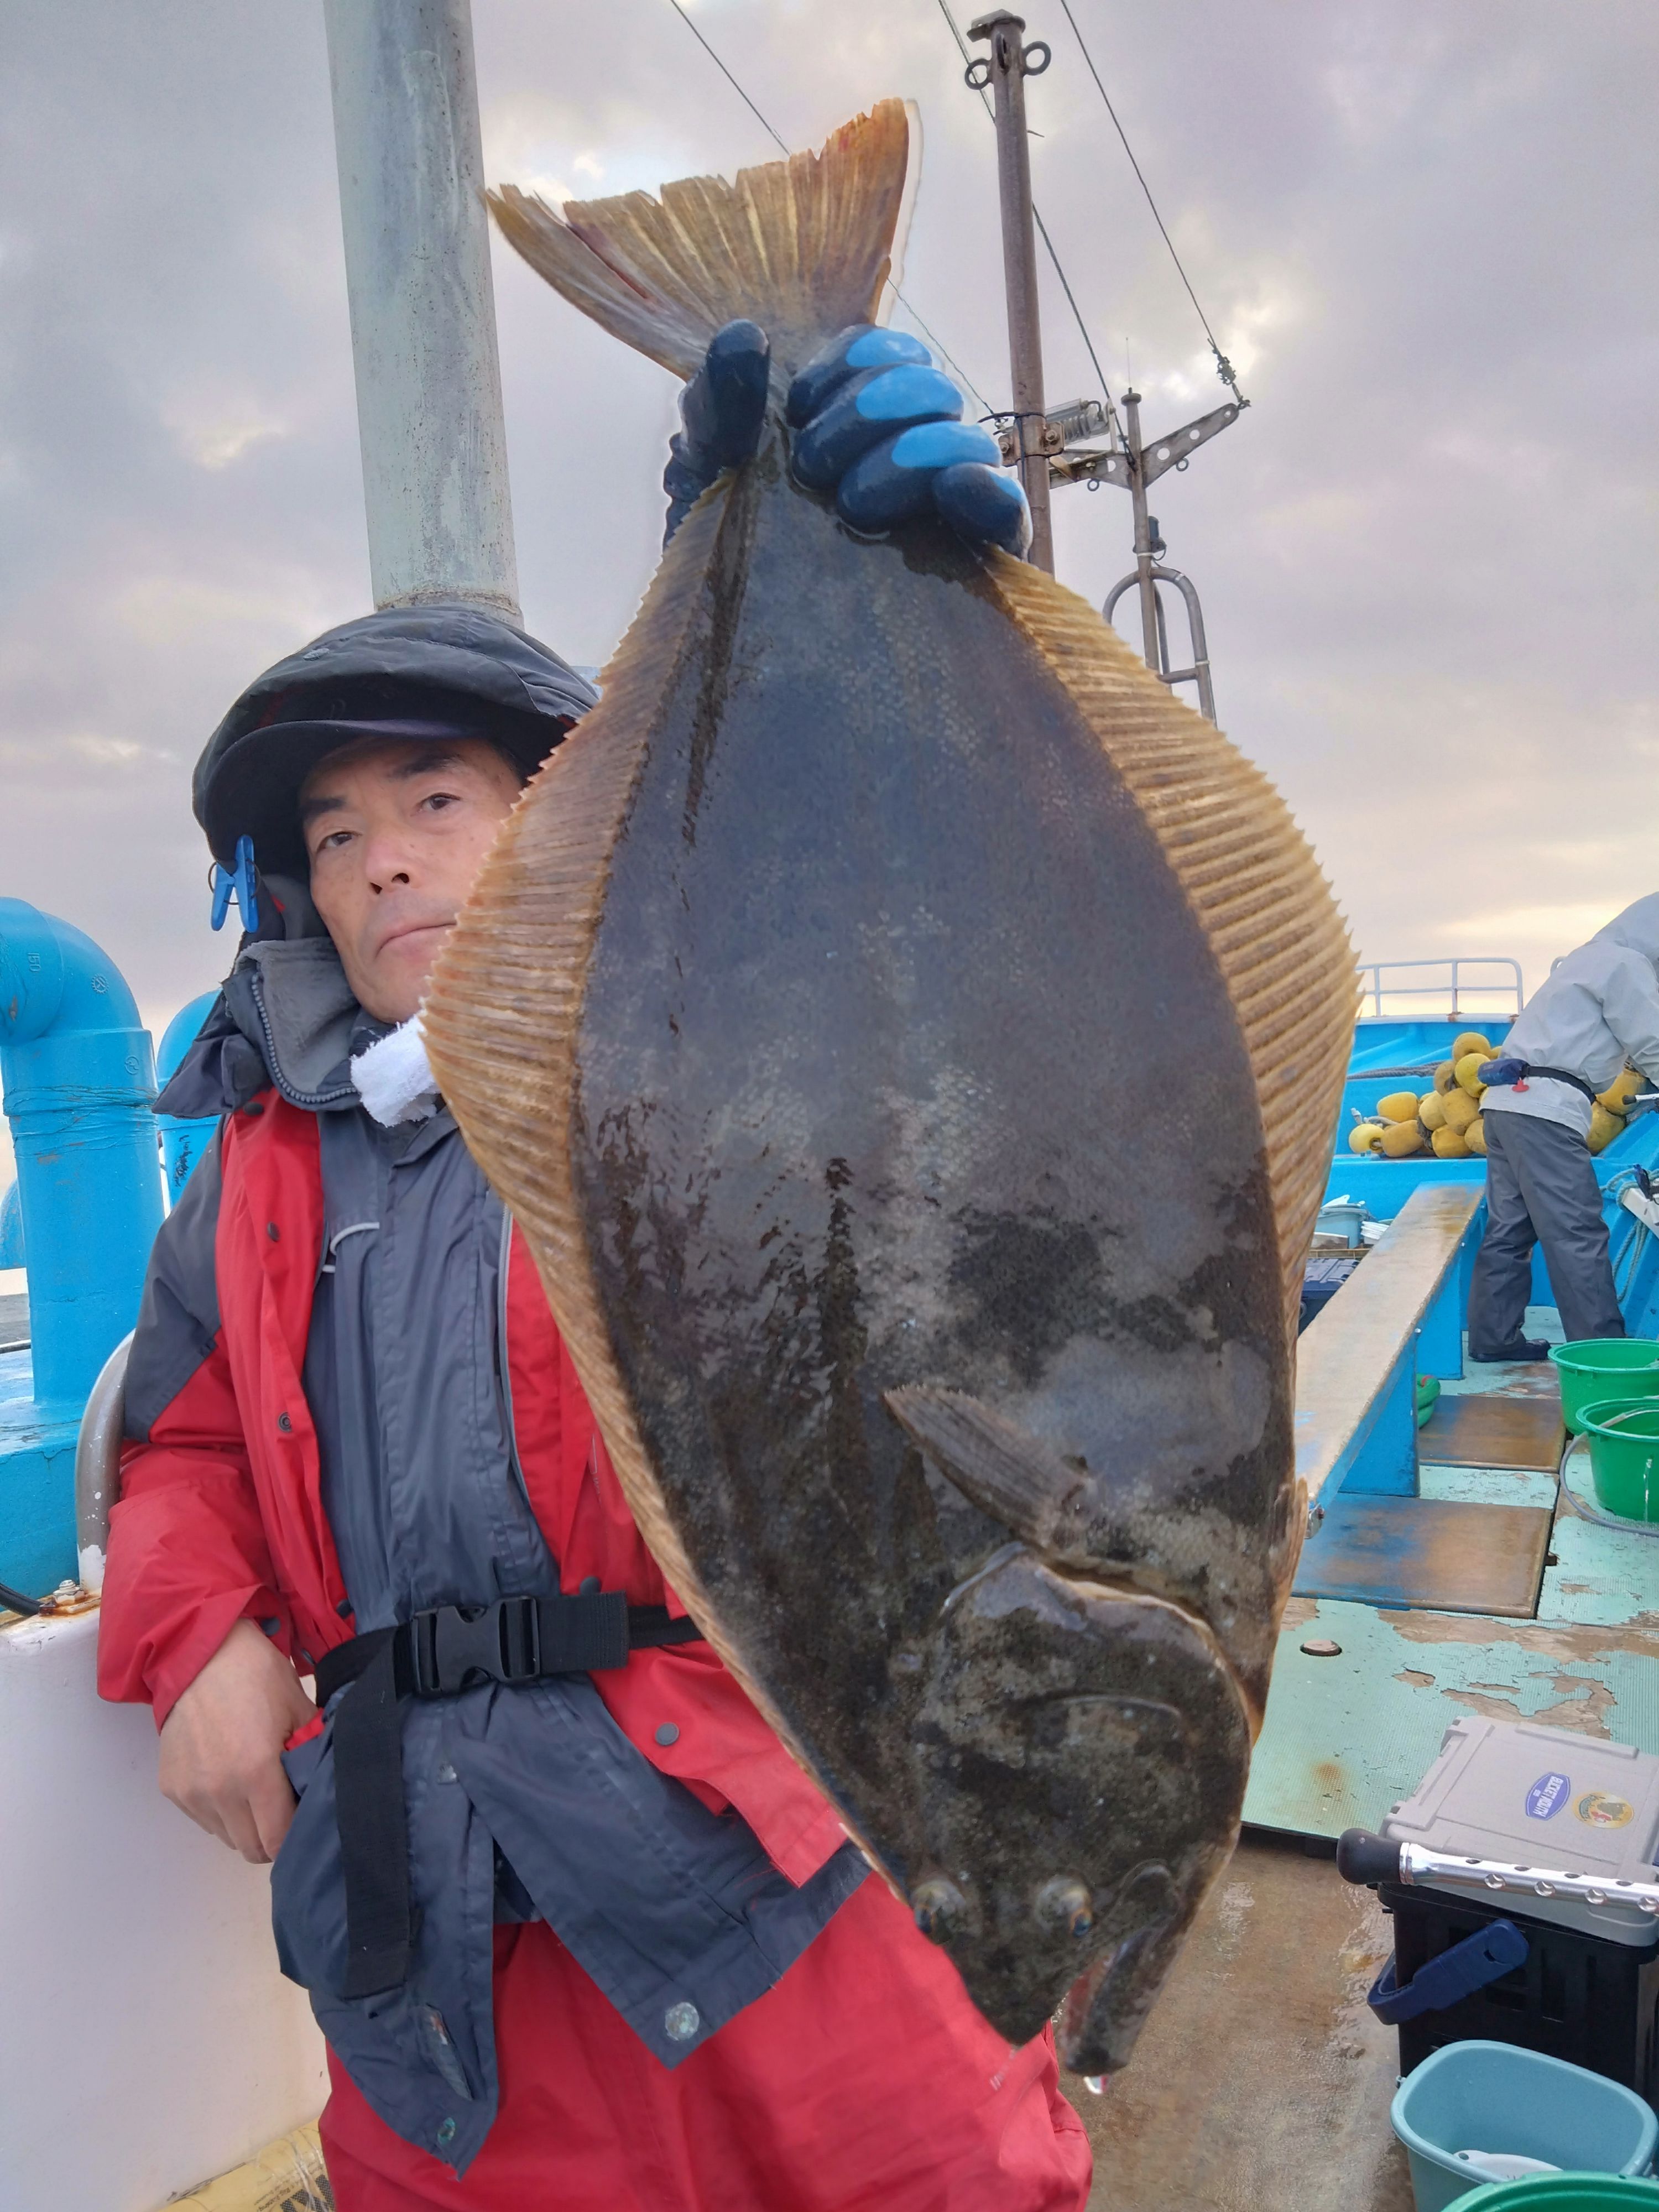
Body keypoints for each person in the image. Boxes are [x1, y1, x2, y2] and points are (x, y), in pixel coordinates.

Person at [96, 328, 1091, 2211]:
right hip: (434, 1942)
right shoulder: (250, 1170)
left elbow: (904, 962)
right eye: (334, 834)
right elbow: (187, 1448)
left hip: (787, 1860)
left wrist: (867, 614)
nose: (382, 863)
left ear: (556, 816)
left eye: (435, 801)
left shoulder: (721, 1033)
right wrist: (193, 1634)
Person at [1467, 895, 1659, 1361]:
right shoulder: (1625, 964)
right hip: (1546, 1111)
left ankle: (1495, 1340)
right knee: (1577, 1233)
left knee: (1510, 1231)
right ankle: (1602, 1353)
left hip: (1505, 1104)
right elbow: (1653, 1042)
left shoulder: (1583, 960)